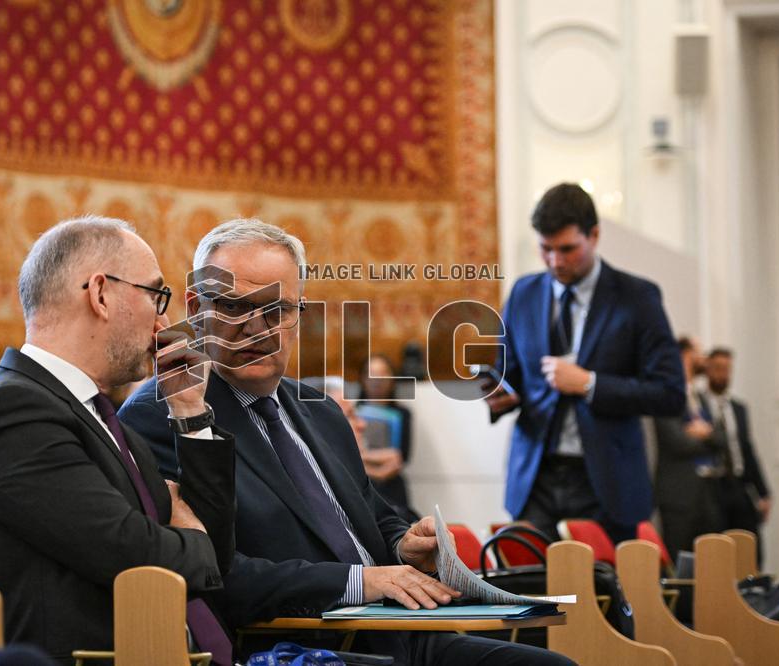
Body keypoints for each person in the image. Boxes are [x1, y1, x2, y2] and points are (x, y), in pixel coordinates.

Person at [121, 218, 573, 666]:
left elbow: (375, 516)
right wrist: (361, 581)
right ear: (197, 305)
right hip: (305, 646)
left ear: (300, 314)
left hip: (400, 633)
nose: (258, 329)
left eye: (277, 311)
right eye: (235, 308)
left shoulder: (319, 409)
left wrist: (403, 545)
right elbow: (219, 572)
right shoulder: (165, 417)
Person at [0, 216, 236, 663]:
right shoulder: (12, 413)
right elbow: (135, 557)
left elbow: (216, 554)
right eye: (156, 296)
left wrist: (189, 410)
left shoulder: (98, 415)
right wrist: (193, 537)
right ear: (101, 294)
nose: (165, 322)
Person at [484, 183, 685, 544]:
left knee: (602, 597)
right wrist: (499, 395)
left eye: (567, 249)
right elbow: (507, 373)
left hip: (607, 485)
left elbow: (670, 393)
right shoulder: (523, 294)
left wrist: (590, 384)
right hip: (534, 481)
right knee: (532, 594)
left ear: (594, 235)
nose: (555, 262)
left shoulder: (638, 298)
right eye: (545, 249)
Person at [654, 336, 725, 560]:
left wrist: (705, 432)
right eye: (698, 352)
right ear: (684, 356)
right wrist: (707, 437)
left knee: (711, 564)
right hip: (678, 495)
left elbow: (722, 439)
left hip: (708, 493)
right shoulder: (666, 395)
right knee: (679, 564)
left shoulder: (701, 397)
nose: (704, 358)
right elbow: (677, 442)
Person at [701, 347, 771, 561]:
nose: (723, 375)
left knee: (750, 548)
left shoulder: (738, 408)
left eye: (727, 369)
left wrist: (762, 492)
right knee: (719, 550)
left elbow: (747, 450)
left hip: (738, 485)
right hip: (713, 487)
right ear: (708, 370)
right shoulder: (698, 406)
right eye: (718, 368)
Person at [356, 354, 417, 521]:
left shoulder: (402, 414)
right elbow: (347, 454)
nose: (377, 380)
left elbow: (400, 457)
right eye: (372, 374)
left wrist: (364, 457)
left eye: (383, 374)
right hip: (360, 485)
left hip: (392, 487)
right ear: (362, 378)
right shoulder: (351, 412)